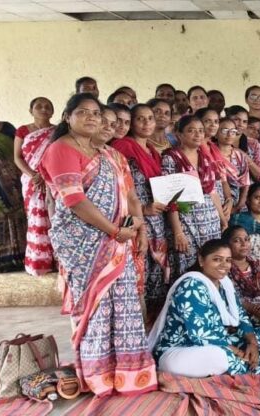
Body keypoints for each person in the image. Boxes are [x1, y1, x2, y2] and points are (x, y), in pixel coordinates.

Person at [40, 93, 157, 395]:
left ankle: (128, 375)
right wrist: (115, 231)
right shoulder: (60, 149)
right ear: (67, 117)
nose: (93, 118)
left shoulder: (109, 154)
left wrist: (136, 229)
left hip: (118, 241)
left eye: (96, 113)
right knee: (95, 306)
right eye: (84, 112)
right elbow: (75, 200)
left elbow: (129, 197)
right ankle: (97, 376)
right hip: (84, 243)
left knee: (124, 306)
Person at [149, 239, 260, 377]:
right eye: (217, 259)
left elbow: (241, 315)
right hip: (182, 348)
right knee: (218, 357)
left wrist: (252, 343)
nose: (224, 265)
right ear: (201, 260)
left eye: (228, 260)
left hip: (218, 342)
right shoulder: (191, 285)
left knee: (259, 335)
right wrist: (238, 352)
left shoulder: (225, 285)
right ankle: (239, 366)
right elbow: (200, 334)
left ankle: (237, 366)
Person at [112, 105, 171, 318]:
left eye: (150, 118)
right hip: (136, 218)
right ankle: (139, 324)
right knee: (141, 269)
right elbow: (122, 188)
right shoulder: (122, 146)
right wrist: (143, 210)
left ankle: (154, 324)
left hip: (157, 218)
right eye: (140, 119)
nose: (146, 123)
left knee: (156, 273)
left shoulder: (152, 150)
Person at [163, 115, 225, 276]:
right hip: (185, 219)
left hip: (210, 221)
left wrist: (223, 220)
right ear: (179, 134)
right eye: (191, 131)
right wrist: (178, 232)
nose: (198, 135)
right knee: (189, 266)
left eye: (201, 131)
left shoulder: (205, 157)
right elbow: (170, 198)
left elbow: (212, 191)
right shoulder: (171, 158)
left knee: (211, 264)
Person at [14, 101, 57, 275]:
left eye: (48, 106)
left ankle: (57, 260)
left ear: (53, 112)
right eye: (39, 106)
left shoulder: (57, 131)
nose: (44, 109)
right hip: (32, 182)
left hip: (52, 180)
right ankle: (39, 263)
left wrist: (47, 175)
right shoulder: (23, 131)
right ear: (30, 110)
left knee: (54, 218)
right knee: (36, 219)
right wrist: (33, 175)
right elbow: (18, 157)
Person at [224, 226, 260, 327]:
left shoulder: (259, 266)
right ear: (227, 245)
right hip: (239, 319)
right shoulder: (224, 270)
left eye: (246, 239)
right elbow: (230, 299)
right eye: (237, 240)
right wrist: (256, 310)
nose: (244, 244)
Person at [0, 108, 25, 272]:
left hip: (12, 182)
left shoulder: (7, 128)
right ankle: (0, 260)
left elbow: (20, 152)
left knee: (16, 216)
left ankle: (18, 256)